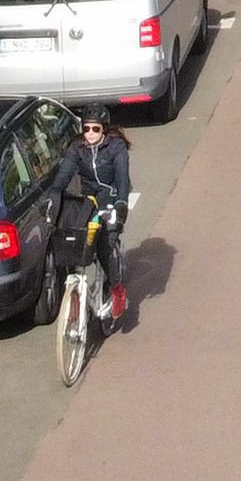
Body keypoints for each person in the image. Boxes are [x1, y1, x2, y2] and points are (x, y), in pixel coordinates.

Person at [69, 107, 134, 330]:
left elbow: (123, 179)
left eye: (95, 128)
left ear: (104, 130)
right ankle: (74, 299)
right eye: (85, 128)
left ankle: (117, 289)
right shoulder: (77, 148)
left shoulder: (116, 148)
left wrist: (121, 204)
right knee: (73, 241)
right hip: (89, 198)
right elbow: (64, 174)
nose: (89, 133)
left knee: (106, 244)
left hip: (111, 196)